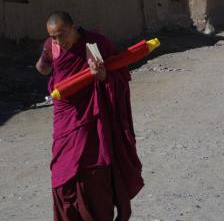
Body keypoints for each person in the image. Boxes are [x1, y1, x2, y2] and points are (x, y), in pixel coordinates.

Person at [35, 11, 144, 220]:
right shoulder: (51, 46)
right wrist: (43, 65)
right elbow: (43, 66)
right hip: (65, 117)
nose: (59, 41)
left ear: (73, 27)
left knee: (93, 170)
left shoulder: (95, 43)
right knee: (62, 175)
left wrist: (101, 75)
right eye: (53, 36)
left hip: (92, 115)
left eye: (62, 34)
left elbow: (119, 72)